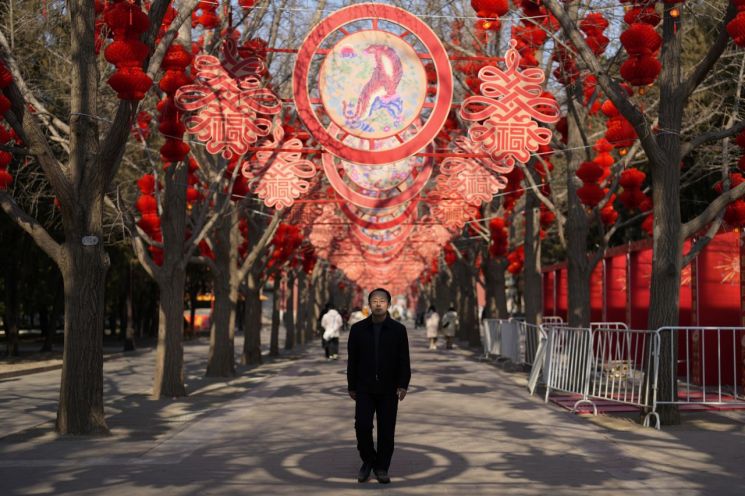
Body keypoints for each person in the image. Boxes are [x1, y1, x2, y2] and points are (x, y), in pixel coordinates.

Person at [347, 288, 411, 484]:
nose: (378, 304)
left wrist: (403, 384)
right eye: (374, 300)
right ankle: (368, 460)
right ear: (369, 304)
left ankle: (382, 467)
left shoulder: (398, 330)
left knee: (387, 430)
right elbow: (352, 360)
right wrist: (351, 385)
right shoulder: (357, 330)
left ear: (388, 304)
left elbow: (404, 360)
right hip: (364, 387)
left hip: (388, 388)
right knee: (362, 426)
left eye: (382, 301)